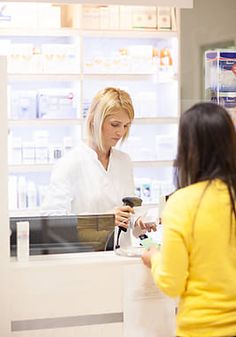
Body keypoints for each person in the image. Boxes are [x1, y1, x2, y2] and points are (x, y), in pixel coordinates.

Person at [141, 102, 236, 337]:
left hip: (202, 328)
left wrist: (154, 257)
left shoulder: (183, 203)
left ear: (188, 149)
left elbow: (172, 282)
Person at [41, 87, 155, 248]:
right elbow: (51, 221)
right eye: (115, 124)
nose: (121, 132)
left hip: (120, 258)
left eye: (126, 126)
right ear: (95, 120)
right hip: (85, 259)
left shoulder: (124, 161)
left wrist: (139, 223)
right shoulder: (70, 163)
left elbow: (128, 219)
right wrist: (104, 219)